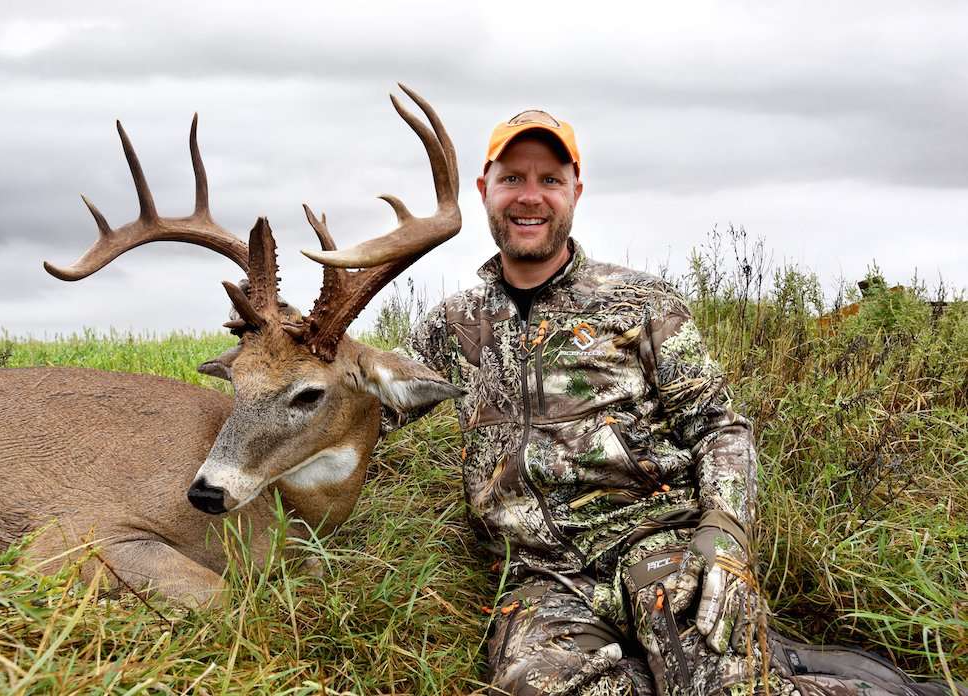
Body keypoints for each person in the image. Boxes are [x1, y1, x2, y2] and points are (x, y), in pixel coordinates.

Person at [393, 109, 964, 696]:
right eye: (513, 178)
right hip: (543, 581)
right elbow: (372, 406)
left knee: (721, 686)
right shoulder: (451, 325)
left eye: (550, 180)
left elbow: (720, 426)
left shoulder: (639, 303)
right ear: (485, 190)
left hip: (660, 543)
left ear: (575, 193)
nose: (530, 197)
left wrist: (724, 532)